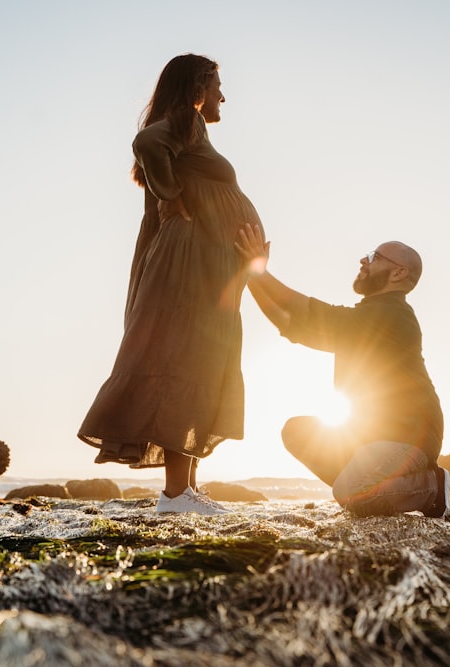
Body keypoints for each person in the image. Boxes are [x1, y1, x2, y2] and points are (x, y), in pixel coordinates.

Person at [78, 54, 262, 515]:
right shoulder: (185, 123)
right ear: (198, 87)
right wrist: (173, 197)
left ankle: (185, 491)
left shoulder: (190, 129)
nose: (223, 95)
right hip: (191, 263)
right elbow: (146, 141)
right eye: (217, 84)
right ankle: (177, 495)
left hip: (206, 264)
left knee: (198, 363)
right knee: (186, 360)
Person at [235, 224, 450, 518]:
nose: (364, 260)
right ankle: (373, 491)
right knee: (298, 433)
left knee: (350, 492)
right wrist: (250, 276)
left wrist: (259, 271)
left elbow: (312, 313)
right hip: (369, 434)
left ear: (399, 273)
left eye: (375, 256)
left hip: (408, 437)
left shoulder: (395, 315)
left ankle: (432, 488)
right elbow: (291, 324)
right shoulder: (367, 315)